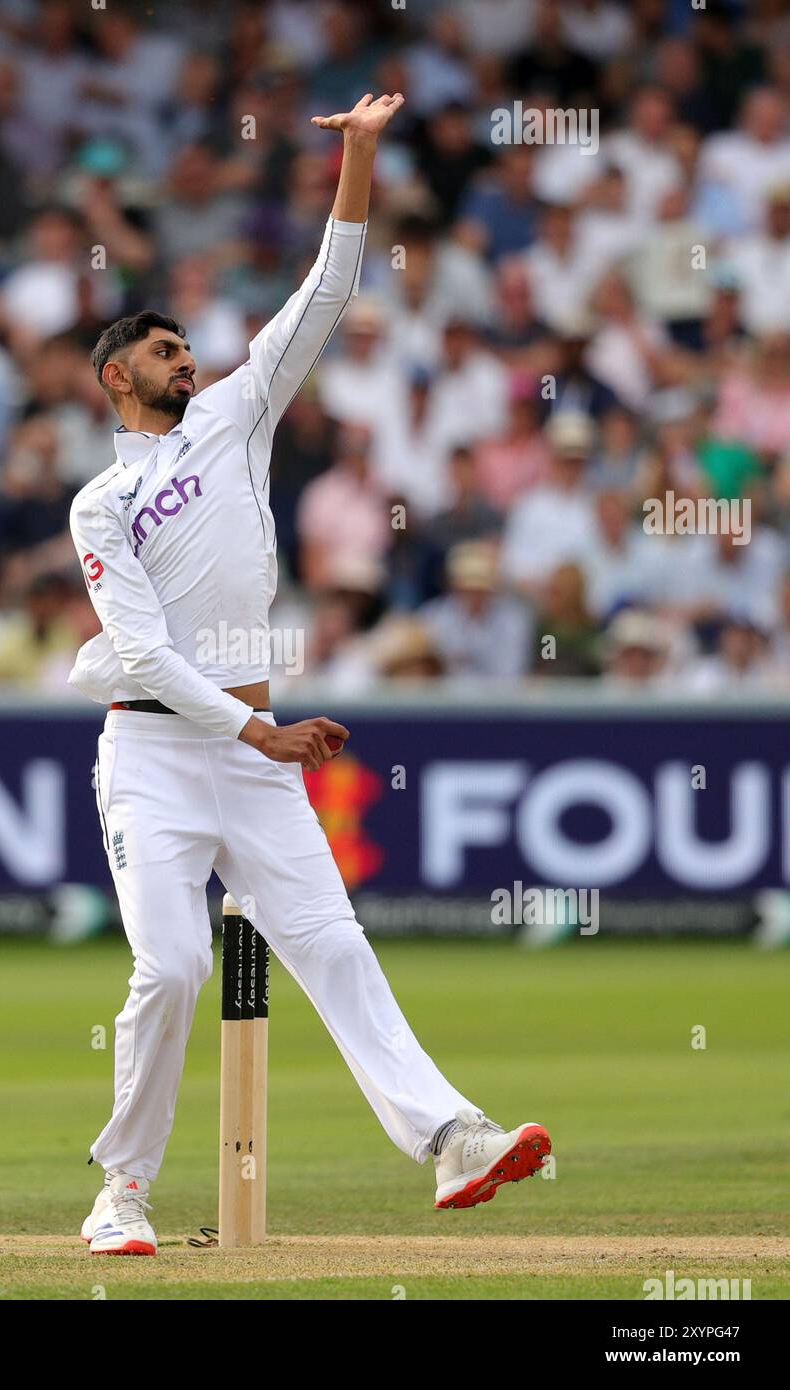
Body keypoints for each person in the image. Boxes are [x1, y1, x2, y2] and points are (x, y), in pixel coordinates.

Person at [68, 93, 551, 1257]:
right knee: (175, 966)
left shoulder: (238, 414)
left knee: (330, 943)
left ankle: (451, 1138)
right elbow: (141, 655)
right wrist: (252, 736)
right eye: (161, 349)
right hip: (154, 754)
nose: (186, 356)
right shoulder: (102, 499)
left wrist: (360, 158)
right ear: (116, 380)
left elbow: (325, 294)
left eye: (187, 344)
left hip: (255, 755)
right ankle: (118, 1190)